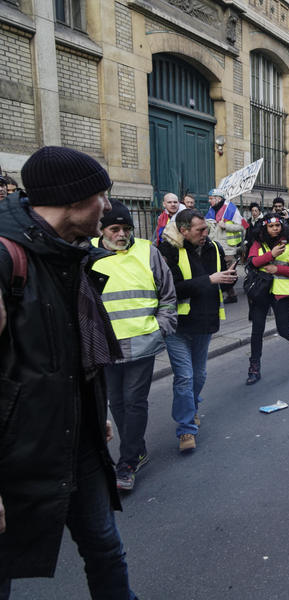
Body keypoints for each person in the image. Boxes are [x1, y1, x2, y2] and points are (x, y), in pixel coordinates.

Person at [0, 146, 137, 597]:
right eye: (101, 196)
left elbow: (79, 351)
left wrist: (99, 411)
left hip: (79, 438)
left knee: (105, 547)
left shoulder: (70, 254)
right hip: (17, 454)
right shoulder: (6, 257)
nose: (108, 207)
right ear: (74, 201)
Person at [93, 200, 177, 491]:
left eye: (126, 228)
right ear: (102, 230)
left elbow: (168, 295)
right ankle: (137, 450)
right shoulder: (87, 253)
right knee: (116, 402)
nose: (122, 234)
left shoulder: (147, 251)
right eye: (115, 229)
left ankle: (127, 463)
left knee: (133, 401)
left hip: (142, 343)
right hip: (105, 347)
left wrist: (160, 329)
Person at [159, 208, 237, 451]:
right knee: (185, 377)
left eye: (206, 229)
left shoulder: (214, 248)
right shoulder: (168, 250)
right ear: (184, 231)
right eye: (200, 230)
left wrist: (229, 279)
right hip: (178, 326)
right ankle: (186, 429)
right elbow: (171, 289)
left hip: (204, 322)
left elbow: (221, 284)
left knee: (199, 375)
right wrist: (211, 280)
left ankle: (190, 407)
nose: (206, 233)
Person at [245, 214, 289, 384]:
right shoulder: (258, 243)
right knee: (257, 331)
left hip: (281, 292)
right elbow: (252, 262)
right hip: (260, 291)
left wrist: (277, 269)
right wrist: (271, 255)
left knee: (283, 329)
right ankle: (254, 368)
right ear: (264, 227)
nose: (275, 229)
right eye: (271, 226)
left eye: (277, 226)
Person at [205, 189, 246, 304]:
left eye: (211, 198)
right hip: (214, 245)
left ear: (218, 198)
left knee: (228, 271)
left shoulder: (230, 209)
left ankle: (230, 294)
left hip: (227, 248)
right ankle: (229, 294)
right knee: (218, 270)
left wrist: (225, 226)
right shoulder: (211, 210)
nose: (209, 201)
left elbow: (242, 227)